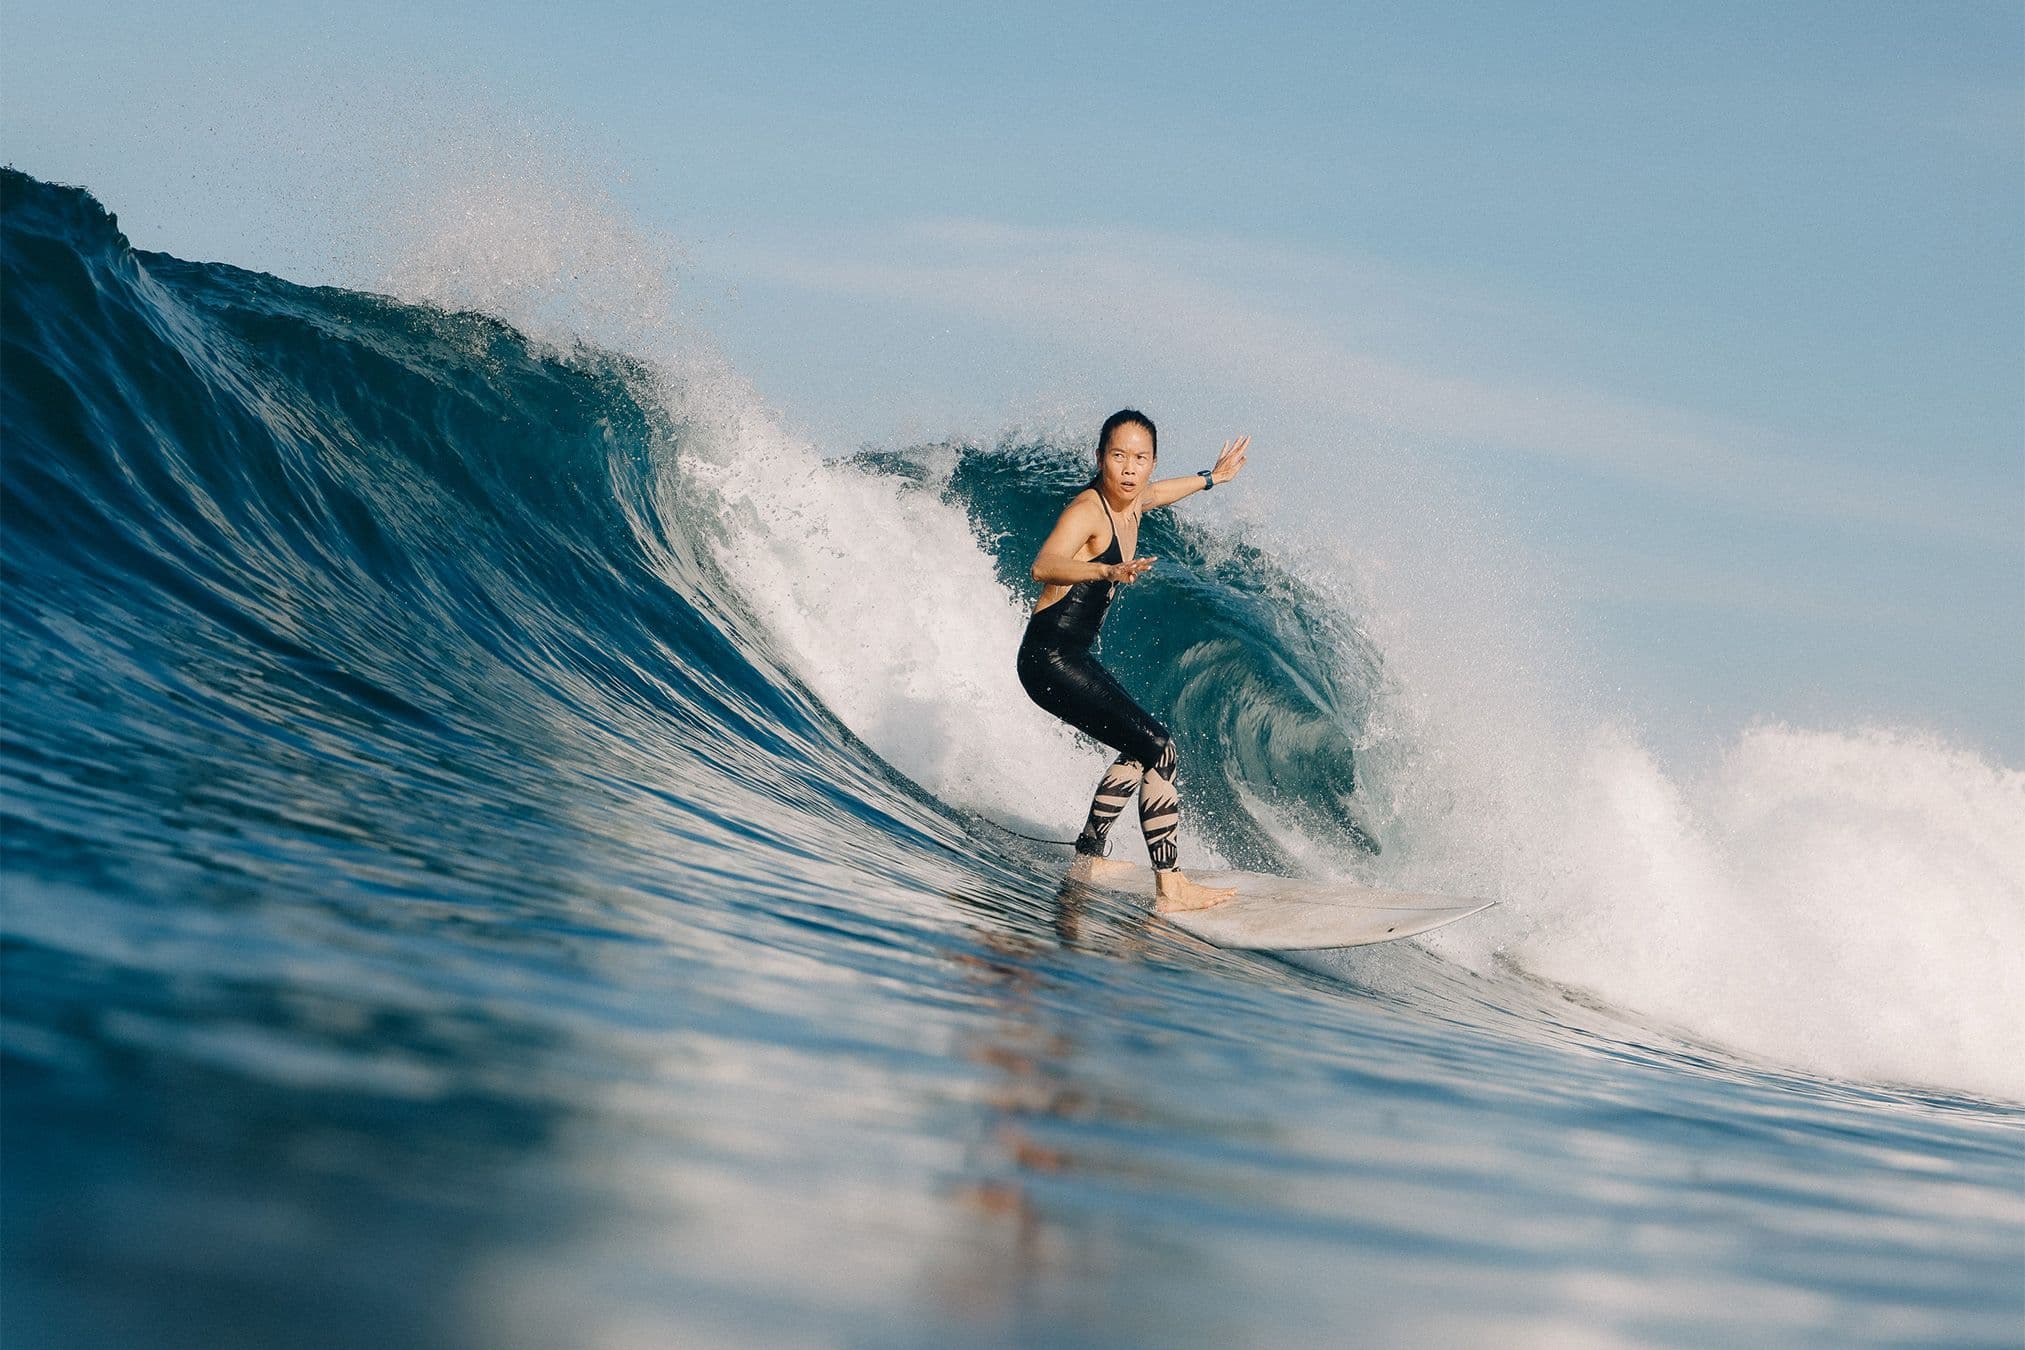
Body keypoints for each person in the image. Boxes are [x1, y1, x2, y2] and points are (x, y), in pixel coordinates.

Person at [1016, 409, 1249, 913]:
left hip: (1071, 653)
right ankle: (1171, 886)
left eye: (1140, 459)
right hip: (1048, 657)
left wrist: (1213, 478)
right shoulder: (1088, 510)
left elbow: (1160, 493)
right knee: (1160, 748)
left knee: (1140, 745)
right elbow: (1043, 565)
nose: (1129, 468)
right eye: (1118, 455)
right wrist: (1105, 571)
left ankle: (1088, 858)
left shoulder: (1135, 500)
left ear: (1151, 463)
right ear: (1100, 457)